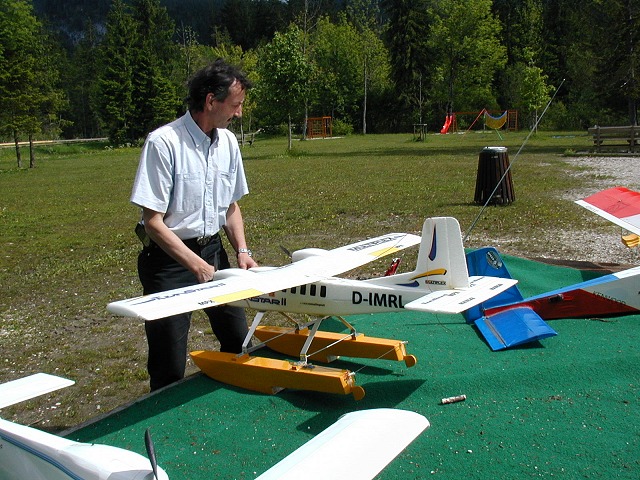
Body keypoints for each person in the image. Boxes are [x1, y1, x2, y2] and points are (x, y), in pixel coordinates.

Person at [130, 58, 258, 391]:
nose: (239, 113)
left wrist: (241, 251)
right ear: (210, 101)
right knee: (169, 363)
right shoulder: (164, 143)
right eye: (235, 105)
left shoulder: (228, 142)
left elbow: (230, 206)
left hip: (214, 253)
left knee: (238, 339)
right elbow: (153, 222)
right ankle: (160, 427)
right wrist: (195, 265)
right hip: (169, 262)